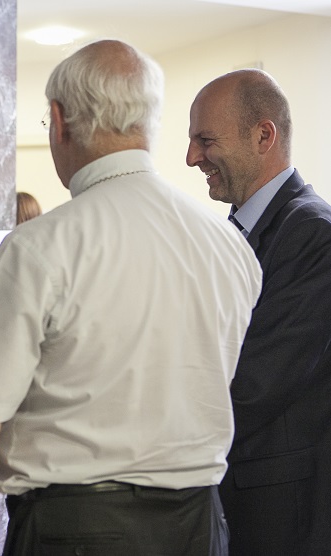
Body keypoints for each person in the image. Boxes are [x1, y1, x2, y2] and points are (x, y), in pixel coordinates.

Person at [0, 39, 263, 556]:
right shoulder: (230, 246)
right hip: (201, 525)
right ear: (148, 123)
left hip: (76, 528)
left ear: (60, 121)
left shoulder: (39, 246)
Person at [187, 69, 331, 555]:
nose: (191, 158)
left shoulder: (314, 235)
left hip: (278, 517)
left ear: (264, 135)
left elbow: (254, 383)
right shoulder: (232, 234)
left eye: (205, 140)